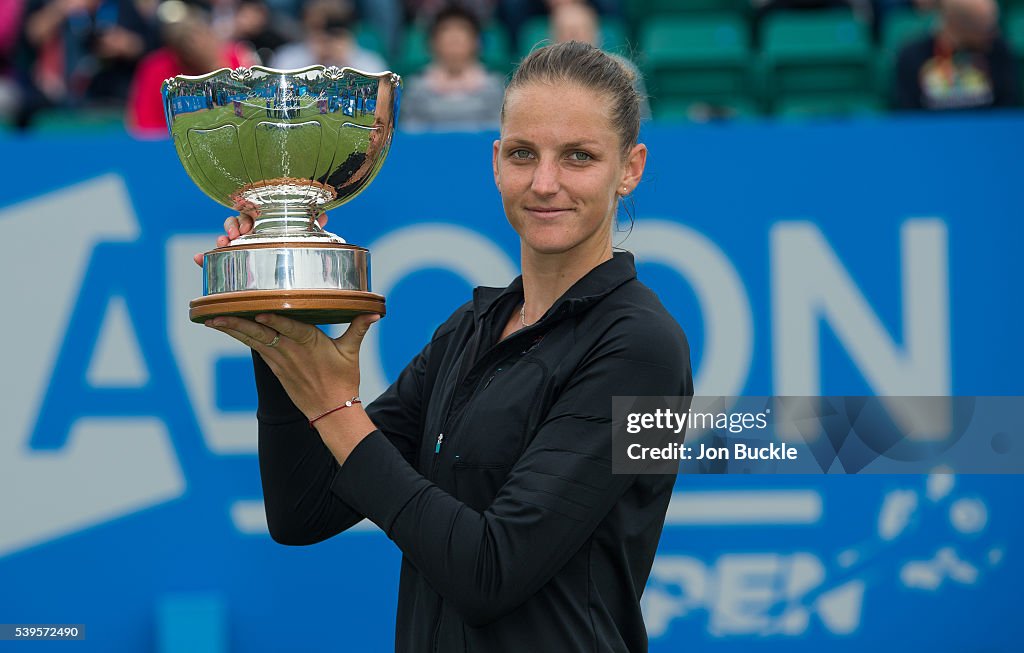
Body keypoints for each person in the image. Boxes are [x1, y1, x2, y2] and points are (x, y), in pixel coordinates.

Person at [200, 40, 692, 652]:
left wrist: (336, 410)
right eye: (522, 153)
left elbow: (490, 572)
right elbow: (303, 511)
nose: (545, 182)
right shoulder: (473, 327)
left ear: (630, 168)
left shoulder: (644, 348)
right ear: (495, 162)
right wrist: (274, 318)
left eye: (579, 157)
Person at [894, 0, 1019, 110]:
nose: (994, 34)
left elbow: (1006, 106)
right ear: (959, 26)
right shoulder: (913, 56)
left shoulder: (999, 52)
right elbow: (910, 114)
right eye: (986, 29)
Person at [398, 5, 506, 131]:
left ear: (476, 42)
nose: (454, 38)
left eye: (462, 31)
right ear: (432, 42)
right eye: (446, 31)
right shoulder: (416, 88)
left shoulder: (494, 86)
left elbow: (499, 132)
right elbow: (410, 133)